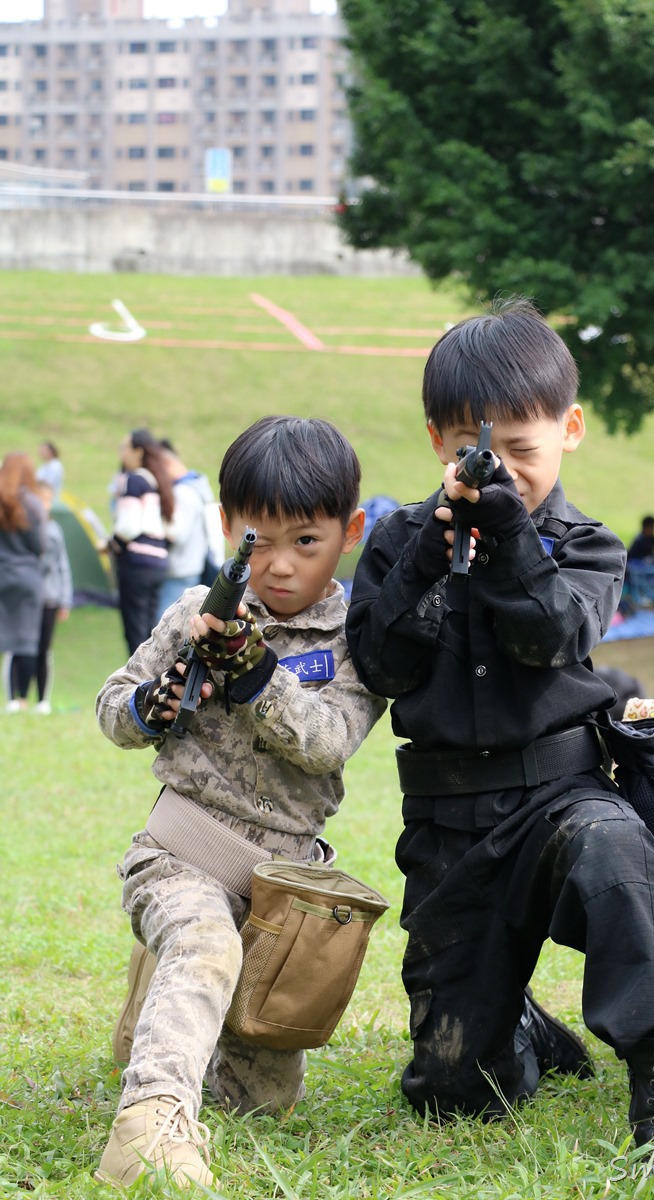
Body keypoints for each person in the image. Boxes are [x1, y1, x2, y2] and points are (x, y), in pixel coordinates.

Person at [345, 298, 654, 1185]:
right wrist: (426, 563)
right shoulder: (400, 539)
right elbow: (380, 664)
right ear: (438, 439)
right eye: (480, 452)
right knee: (451, 1090)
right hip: (449, 827)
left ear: (570, 429)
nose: (503, 470)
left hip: (563, 796)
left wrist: (509, 534)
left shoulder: (586, 543)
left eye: (524, 450)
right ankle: (514, 1026)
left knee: (617, 851)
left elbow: (551, 635)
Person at [94, 415, 386, 1188]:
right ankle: (149, 1125)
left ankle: (153, 1011)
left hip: (280, 893)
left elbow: (327, 741)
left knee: (261, 1099)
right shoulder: (198, 605)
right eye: (260, 542)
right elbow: (111, 705)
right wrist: (147, 708)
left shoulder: (359, 639)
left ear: (349, 532)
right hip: (179, 854)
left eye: (307, 542)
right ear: (228, 527)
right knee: (205, 945)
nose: (280, 566)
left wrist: (255, 672)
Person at [106, 429, 174, 656]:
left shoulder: (133, 480)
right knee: (149, 630)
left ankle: (135, 686)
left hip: (136, 563)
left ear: (138, 452)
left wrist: (111, 544)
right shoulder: (156, 480)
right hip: (157, 562)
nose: (121, 453)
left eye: (124, 448)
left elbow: (128, 526)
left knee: (134, 632)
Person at [8, 482, 73, 714]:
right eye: (40, 500)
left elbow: (62, 565)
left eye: (47, 501)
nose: (43, 506)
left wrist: (66, 599)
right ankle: (17, 697)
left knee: (43, 649)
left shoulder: (55, 530)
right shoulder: (19, 528)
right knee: (20, 646)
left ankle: (42, 700)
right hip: (25, 598)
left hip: (49, 598)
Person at [0, 452, 46, 712]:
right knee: (27, 639)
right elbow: (39, 545)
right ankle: (22, 700)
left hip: (1, 575)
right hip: (27, 577)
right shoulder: (32, 503)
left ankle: (8, 700)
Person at [157, 439, 217, 616]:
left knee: (166, 625)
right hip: (192, 565)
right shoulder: (197, 486)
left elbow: (177, 534)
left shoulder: (182, 492)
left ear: (167, 464)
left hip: (180, 570)